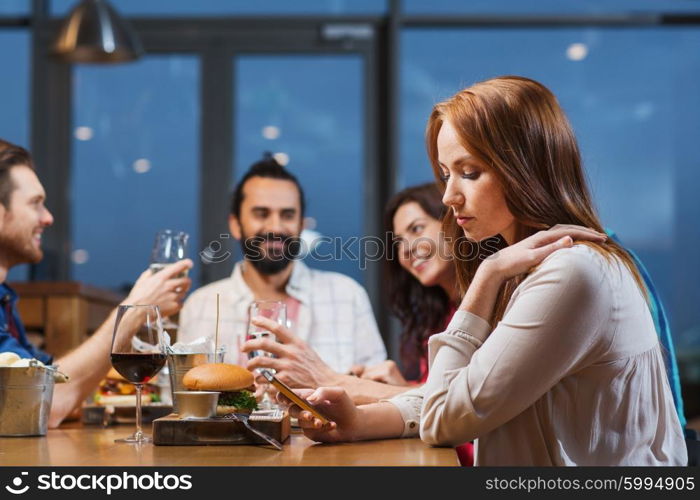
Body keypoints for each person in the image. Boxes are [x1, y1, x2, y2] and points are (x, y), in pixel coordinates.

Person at [282, 76, 688, 466]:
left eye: (469, 173)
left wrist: (487, 276)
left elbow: (446, 418)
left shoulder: (571, 272)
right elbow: (460, 391)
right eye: (445, 175)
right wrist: (358, 422)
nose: (449, 196)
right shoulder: (536, 269)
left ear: (525, 167)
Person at [0, 139, 192, 428]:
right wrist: (134, 311)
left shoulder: (5, 299)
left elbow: (50, 383)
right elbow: (38, 407)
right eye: (36, 204)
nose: (48, 218)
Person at [178, 156, 386, 374]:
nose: (275, 227)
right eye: (261, 214)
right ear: (236, 225)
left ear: (301, 225)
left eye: (287, 215)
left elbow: (374, 390)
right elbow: (185, 397)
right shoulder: (200, 306)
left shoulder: (348, 296)